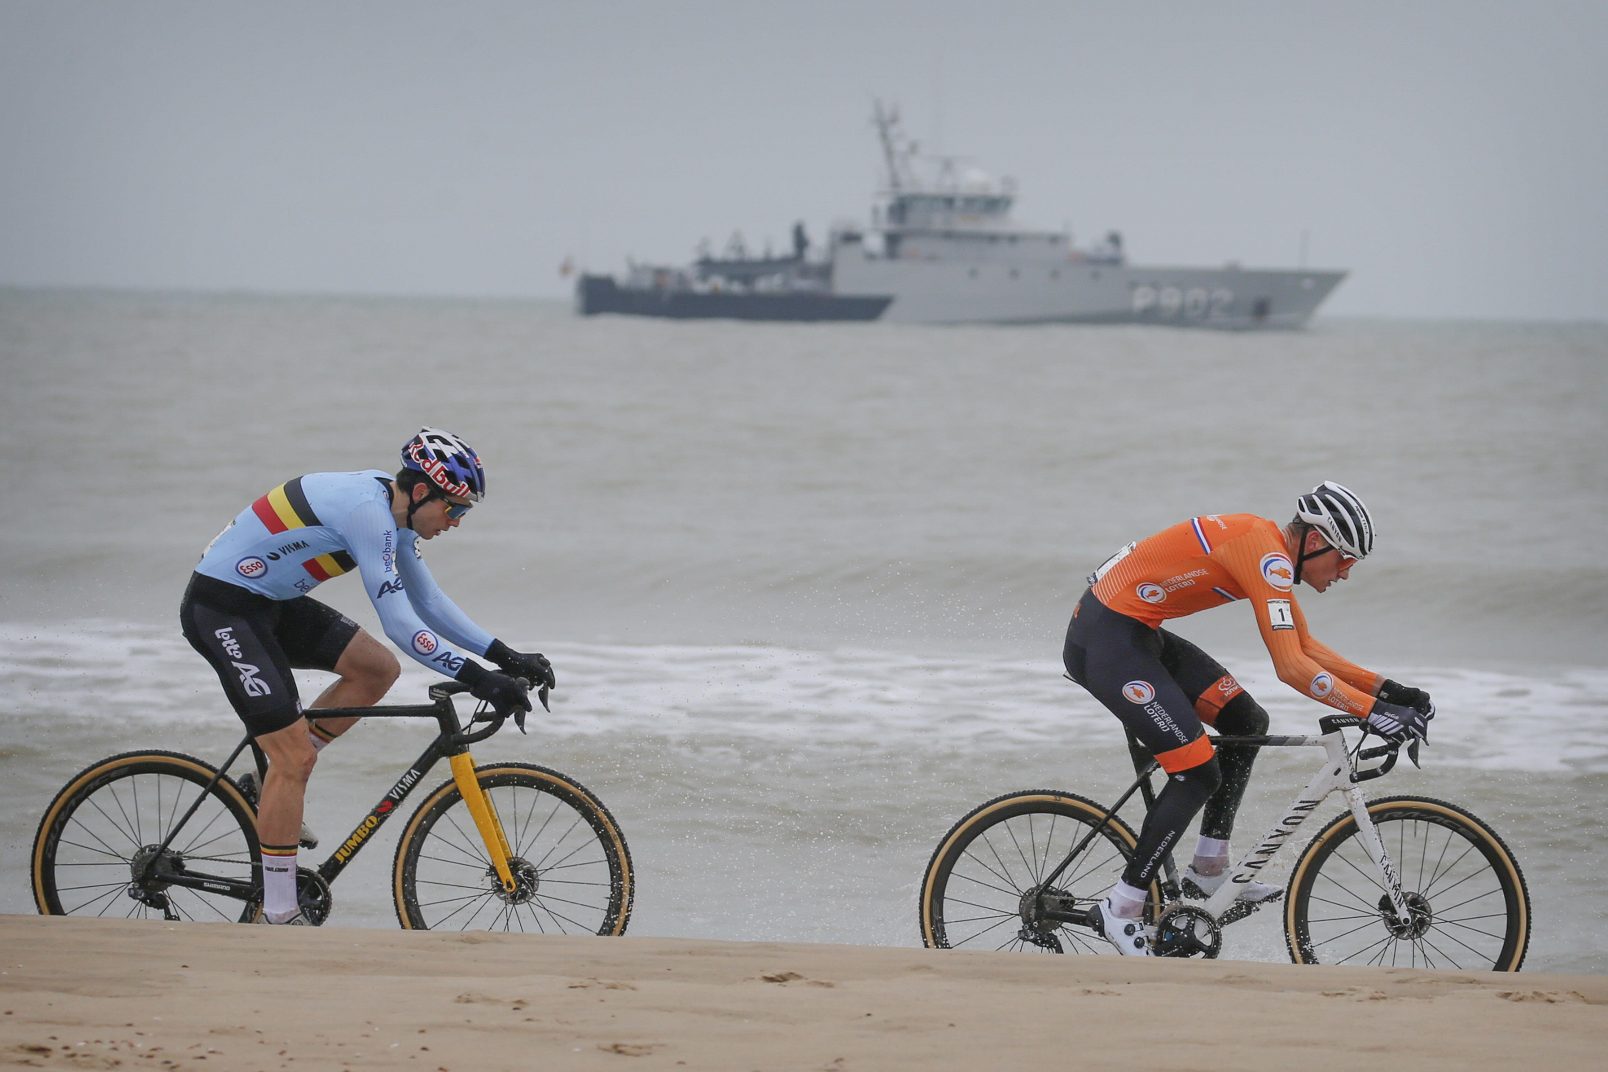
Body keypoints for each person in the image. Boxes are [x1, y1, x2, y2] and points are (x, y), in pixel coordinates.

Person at [180, 428, 557, 925]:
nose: (456, 523)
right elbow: (400, 623)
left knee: (377, 670)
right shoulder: (368, 514)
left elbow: (428, 602)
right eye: (455, 509)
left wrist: (504, 656)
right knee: (293, 756)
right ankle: (276, 912)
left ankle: (268, 781)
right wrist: (478, 677)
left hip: (269, 604)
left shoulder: (394, 514)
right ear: (422, 491)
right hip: (222, 607)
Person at [1062, 482, 1434, 956]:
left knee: (1245, 720)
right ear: (1314, 540)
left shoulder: (1269, 552)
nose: (1344, 573)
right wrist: (1374, 713)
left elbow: (1304, 645)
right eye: (1342, 559)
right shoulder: (1268, 556)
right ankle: (1122, 907)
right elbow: (1292, 668)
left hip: (1135, 633)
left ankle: (1208, 870)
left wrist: (1389, 691)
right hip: (1105, 640)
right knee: (1197, 772)